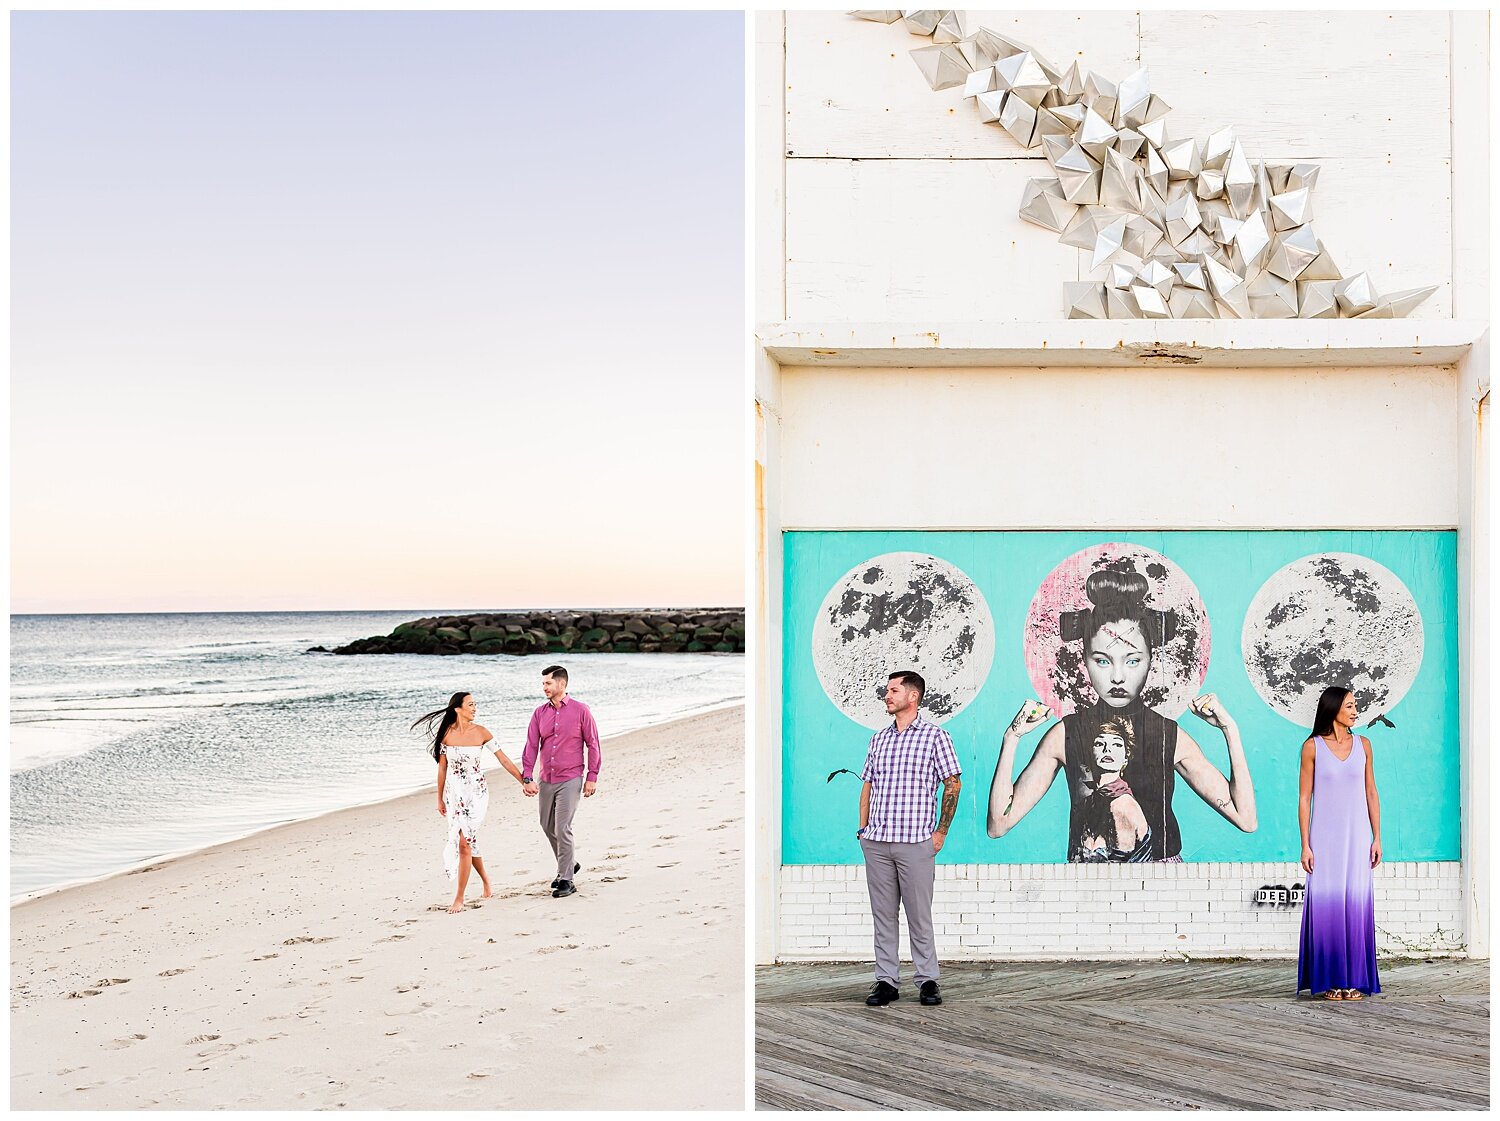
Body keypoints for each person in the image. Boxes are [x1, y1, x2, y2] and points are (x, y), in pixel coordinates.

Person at [987, 568, 1256, 859]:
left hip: (1161, 885)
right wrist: (1011, 738)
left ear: (1150, 660)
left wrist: (1231, 731)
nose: (1118, 676)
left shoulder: (1167, 735)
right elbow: (998, 825)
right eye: (1102, 660)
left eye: (1132, 661)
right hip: (1088, 886)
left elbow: (1246, 819)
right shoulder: (1066, 734)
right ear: (1085, 661)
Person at [856, 670, 962, 1008]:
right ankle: (886, 981)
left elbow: (953, 783)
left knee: (919, 914)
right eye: (887, 691)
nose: (887, 696)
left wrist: (940, 832)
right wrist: (863, 831)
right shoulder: (878, 740)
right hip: (877, 841)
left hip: (916, 842)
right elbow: (868, 786)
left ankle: (927, 980)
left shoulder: (935, 737)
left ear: (912, 696)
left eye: (893, 690)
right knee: (883, 915)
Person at [1297, 686, 1382, 1001]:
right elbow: (1305, 797)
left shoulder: (1364, 745)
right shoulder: (1312, 748)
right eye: (1349, 705)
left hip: (1358, 837)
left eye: (1355, 705)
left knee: (1355, 905)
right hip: (1324, 839)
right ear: (1333, 709)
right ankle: (1332, 981)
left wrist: (1377, 837)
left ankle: (1354, 980)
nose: (1355, 710)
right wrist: (1305, 844)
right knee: (1327, 909)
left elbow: (1371, 793)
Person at [412, 691, 525, 914]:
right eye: (471, 705)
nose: (475, 708)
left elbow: (503, 758)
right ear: (458, 709)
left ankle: (459, 898)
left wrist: (524, 781)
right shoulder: (446, 735)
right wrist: (439, 797)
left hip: (477, 793)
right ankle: (486, 882)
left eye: (475, 704)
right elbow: (442, 768)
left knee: (464, 842)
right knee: (468, 842)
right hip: (455, 795)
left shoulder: (482, 732)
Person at [521, 665, 601, 899]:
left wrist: (591, 777)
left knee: (562, 827)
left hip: (571, 778)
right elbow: (531, 746)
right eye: (543, 683)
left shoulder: (580, 711)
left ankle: (567, 878)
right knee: (547, 825)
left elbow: (593, 744)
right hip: (546, 779)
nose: (544, 687)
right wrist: (527, 776)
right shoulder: (539, 713)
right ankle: (570, 862)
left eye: (548, 683)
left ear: (561, 684)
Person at [1075, 716, 1152, 862]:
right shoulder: (1091, 801)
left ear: (1125, 758)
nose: (1107, 749)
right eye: (1099, 743)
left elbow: (1122, 874)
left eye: (1116, 745)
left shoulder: (1122, 805)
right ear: (1089, 754)